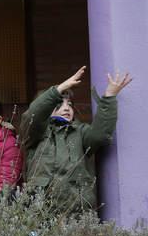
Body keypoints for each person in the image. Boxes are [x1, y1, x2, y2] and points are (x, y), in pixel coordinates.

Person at [20, 66, 132, 213]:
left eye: (70, 105)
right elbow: (32, 115)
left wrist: (109, 97)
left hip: (76, 212)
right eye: (59, 105)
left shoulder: (80, 132)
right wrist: (58, 90)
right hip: (40, 213)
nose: (66, 109)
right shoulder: (35, 133)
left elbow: (100, 134)